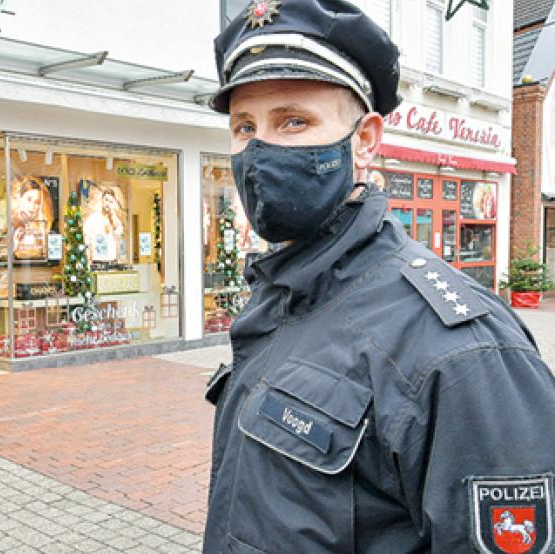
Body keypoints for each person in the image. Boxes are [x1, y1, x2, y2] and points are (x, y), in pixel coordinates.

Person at [203, 1, 555, 552]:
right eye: (245, 127)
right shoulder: (280, 297)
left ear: (365, 140)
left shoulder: (462, 351)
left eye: (293, 121)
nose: (260, 149)